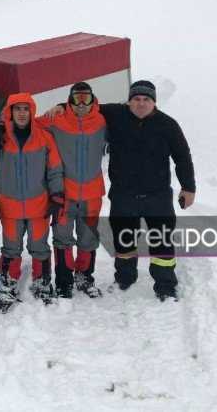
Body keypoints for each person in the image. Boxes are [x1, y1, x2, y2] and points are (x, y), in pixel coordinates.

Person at [47, 80, 195, 301]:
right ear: (129, 101)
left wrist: (188, 187)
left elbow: (182, 156)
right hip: (124, 194)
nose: (141, 103)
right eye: (136, 99)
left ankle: (165, 285)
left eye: (146, 99)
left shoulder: (168, 125)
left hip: (158, 196)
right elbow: (86, 106)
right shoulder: (116, 114)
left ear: (154, 102)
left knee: (162, 241)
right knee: (124, 240)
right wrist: (61, 105)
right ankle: (125, 278)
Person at [0, 93, 64, 310]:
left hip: (39, 205)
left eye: (25, 109)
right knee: (11, 249)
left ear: (32, 111)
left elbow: (54, 169)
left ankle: (42, 283)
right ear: (10, 112)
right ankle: (8, 284)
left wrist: (57, 195)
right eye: (17, 109)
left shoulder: (44, 137)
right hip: (10, 206)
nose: (21, 113)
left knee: (39, 247)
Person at [35, 82, 107, 299]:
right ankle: (64, 281)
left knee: (88, 238)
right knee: (62, 238)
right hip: (64, 194)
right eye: (77, 98)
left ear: (93, 100)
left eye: (86, 98)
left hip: (92, 194)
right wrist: (2, 128)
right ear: (69, 100)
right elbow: (27, 123)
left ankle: (84, 277)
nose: (82, 104)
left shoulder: (102, 120)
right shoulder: (57, 120)